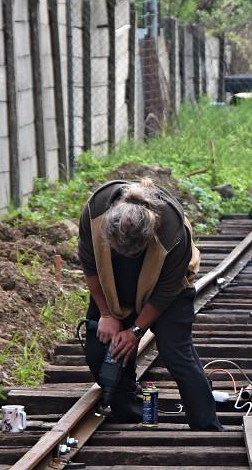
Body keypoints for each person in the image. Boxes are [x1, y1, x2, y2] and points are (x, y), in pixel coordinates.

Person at [77, 178, 223, 431]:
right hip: (113, 283)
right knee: (100, 350)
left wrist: (136, 331)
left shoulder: (174, 233)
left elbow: (167, 289)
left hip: (167, 289)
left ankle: (206, 426)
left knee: (175, 352)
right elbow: (90, 267)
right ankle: (129, 415)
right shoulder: (94, 212)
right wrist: (107, 315)